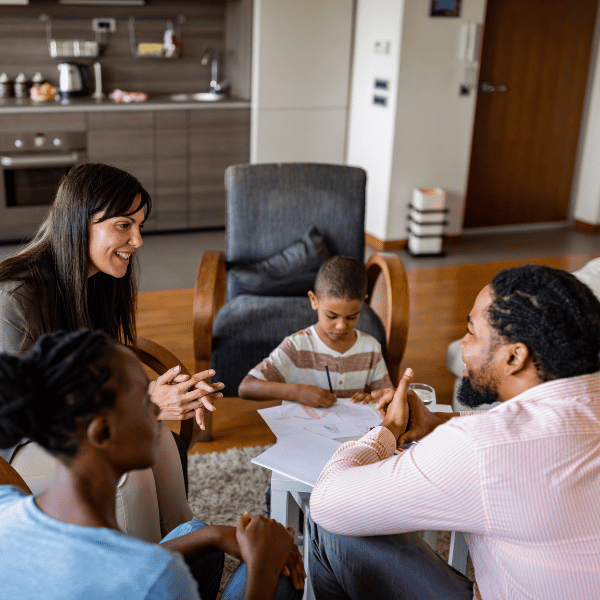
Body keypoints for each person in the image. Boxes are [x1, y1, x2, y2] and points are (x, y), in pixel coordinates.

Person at [308, 264, 600, 600]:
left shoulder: (481, 447)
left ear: (515, 356)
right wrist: (437, 424)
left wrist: (386, 430)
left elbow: (328, 502)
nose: (462, 344)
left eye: (472, 332)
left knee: (329, 525)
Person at [0, 162, 224, 542]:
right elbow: (25, 410)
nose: (138, 240)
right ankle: (144, 573)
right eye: (123, 225)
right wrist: (148, 400)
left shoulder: (95, 281)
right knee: (126, 472)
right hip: (19, 444)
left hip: (78, 423)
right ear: (77, 221)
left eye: (139, 226)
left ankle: (185, 546)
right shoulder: (15, 298)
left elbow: (99, 373)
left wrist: (165, 393)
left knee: (159, 439)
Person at [0, 329, 305, 600]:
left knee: (196, 531)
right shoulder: (155, 578)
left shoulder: (6, 507)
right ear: (104, 432)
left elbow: (102, 568)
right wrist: (263, 570)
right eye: (147, 403)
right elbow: (133, 575)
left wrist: (209, 535)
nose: (160, 416)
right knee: (279, 574)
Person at [238, 255, 392, 407]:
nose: (341, 326)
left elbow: (386, 395)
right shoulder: (296, 346)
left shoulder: (371, 347)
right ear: (314, 300)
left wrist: (371, 397)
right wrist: (297, 392)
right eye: (331, 316)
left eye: (352, 317)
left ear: (363, 303)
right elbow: (246, 387)